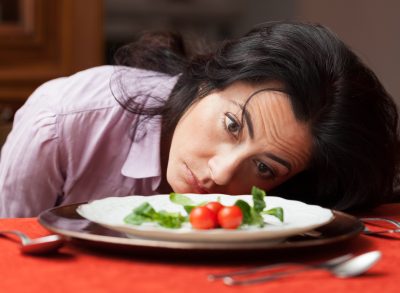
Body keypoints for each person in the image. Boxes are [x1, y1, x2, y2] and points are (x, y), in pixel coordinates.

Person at [0, 21, 398, 217]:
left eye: (263, 166)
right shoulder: (61, 121)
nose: (222, 175)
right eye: (232, 125)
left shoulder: (284, 204)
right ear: (208, 78)